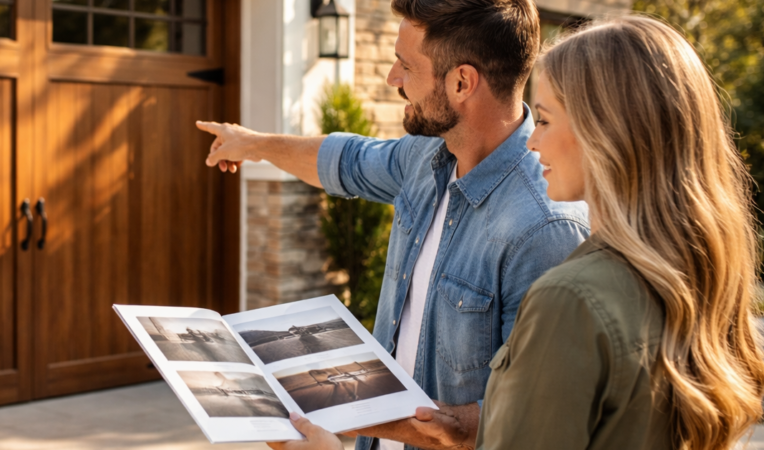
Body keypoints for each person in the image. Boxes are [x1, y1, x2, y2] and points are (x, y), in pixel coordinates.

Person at [266, 15, 764, 450]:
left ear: (604, 136)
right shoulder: (676, 274)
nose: (532, 142)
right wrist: (252, 144)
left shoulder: (567, 285)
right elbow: (354, 160)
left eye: (544, 119)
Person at [196, 0, 588, 448]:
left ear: (462, 82)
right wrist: (254, 144)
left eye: (406, 65)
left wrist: (329, 404)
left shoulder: (545, 229)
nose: (392, 78)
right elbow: (347, 160)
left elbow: (528, 418)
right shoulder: (428, 156)